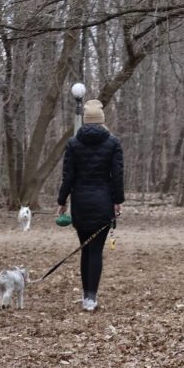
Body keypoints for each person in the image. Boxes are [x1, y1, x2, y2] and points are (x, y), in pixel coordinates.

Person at [57, 99, 124, 312]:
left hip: (81, 203)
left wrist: (62, 201)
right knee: (96, 251)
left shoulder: (73, 143)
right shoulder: (113, 143)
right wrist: (117, 201)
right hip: (103, 202)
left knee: (85, 249)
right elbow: (117, 176)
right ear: (102, 120)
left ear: (85, 121)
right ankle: (91, 298)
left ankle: (86, 295)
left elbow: (68, 176)